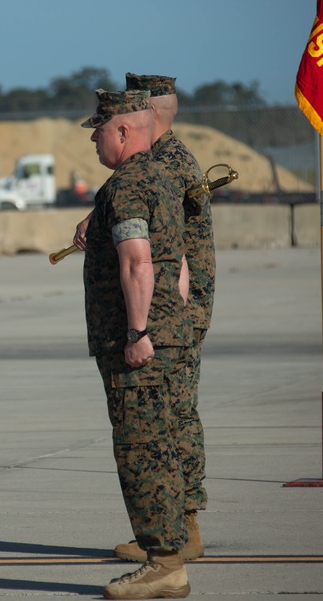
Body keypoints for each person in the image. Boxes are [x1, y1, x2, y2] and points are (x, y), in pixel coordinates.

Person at [79, 88, 192, 599]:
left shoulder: (126, 185)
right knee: (162, 447)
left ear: (123, 130)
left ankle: (164, 564)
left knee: (141, 451)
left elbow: (136, 261)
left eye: (98, 131)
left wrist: (138, 332)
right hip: (168, 338)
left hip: (140, 346)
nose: (94, 142)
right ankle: (167, 557)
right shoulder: (163, 179)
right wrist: (170, 326)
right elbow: (180, 267)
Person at [106, 73, 215, 565]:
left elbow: (141, 257)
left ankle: (179, 528)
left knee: (165, 421)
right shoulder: (167, 162)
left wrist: (138, 328)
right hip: (178, 306)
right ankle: (175, 526)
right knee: (171, 416)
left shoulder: (158, 166)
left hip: (167, 314)